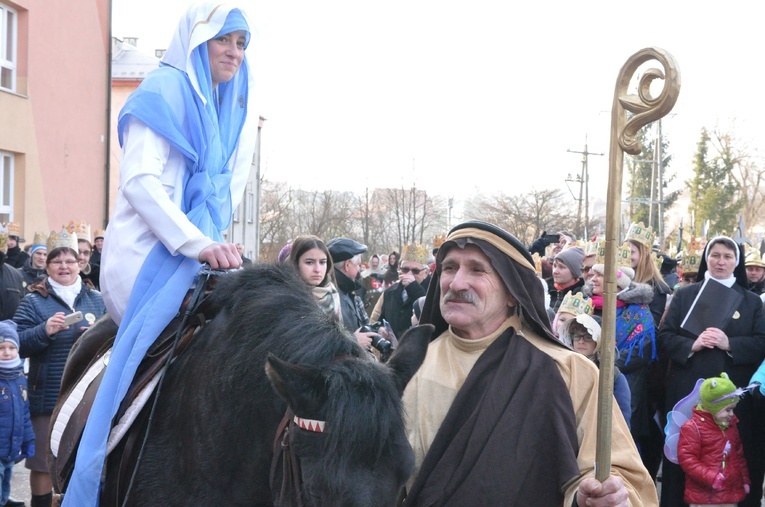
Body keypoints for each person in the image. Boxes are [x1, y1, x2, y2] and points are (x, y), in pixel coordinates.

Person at [69, 4, 257, 506]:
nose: (235, 53)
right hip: (146, 257)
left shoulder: (230, 108)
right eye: (225, 40)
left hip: (201, 256)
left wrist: (219, 246)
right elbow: (140, 182)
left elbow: (222, 199)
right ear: (197, 43)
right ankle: (100, 458)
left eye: (242, 44)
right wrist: (199, 244)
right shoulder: (161, 90)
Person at [403, 220, 656, 506]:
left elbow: (623, 479)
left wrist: (599, 497)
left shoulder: (570, 372)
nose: (457, 282)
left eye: (477, 269)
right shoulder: (408, 368)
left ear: (513, 292)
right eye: (449, 268)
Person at [659, 236, 765, 507]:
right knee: (688, 453)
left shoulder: (752, 302)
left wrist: (729, 343)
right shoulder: (685, 295)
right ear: (706, 258)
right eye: (715, 255)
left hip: (736, 395)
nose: (720, 261)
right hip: (689, 389)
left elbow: (762, 342)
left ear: (736, 262)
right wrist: (691, 344)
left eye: (728, 256)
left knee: (735, 455)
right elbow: (666, 337)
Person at [14, 233, 106, 507]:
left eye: (70, 260)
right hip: (48, 395)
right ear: (47, 266)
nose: (64, 266)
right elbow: (15, 343)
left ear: (80, 264)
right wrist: (45, 330)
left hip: (90, 394)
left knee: (86, 460)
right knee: (43, 463)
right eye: (57, 262)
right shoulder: (33, 301)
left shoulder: (96, 299)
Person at [583, 249, 657, 473]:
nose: (592, 278)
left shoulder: (639, 313)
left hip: (623, 386)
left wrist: (604, 366)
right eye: (592, 273)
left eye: (599, 274)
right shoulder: (586, 304)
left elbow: (640, 351)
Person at [677, 373, 750, 506]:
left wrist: (744, 480)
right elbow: (688, 460)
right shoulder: (693, 428)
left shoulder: (730, 426)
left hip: (729, 494)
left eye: (733, 409)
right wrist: (711, 477)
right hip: (705, 496)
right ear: (712, 407)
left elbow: (738, 457)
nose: (732, 414)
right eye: (727, 410)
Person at [561, 313, 632, 428]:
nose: (581, 341)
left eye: (588, 337)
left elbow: (622, 417)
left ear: (599, 341)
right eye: (577, 336)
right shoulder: (564, 367)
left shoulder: (612, 374)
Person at [0, 320, 34, 507]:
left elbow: (24, 412)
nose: (6, 352)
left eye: (11, 347)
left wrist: (28, 440)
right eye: (1, 347)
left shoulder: (20, 378)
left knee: (6, 482)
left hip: (11, 448)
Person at [370, 243, 431, 339]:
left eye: (415, 271)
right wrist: (380, 329)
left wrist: (413, 288)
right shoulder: (389, 292)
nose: (409, 274)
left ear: (426, 273)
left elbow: (429, 316)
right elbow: (378, 320)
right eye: (405, 269)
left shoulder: (432, 292)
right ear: (400, 269)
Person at [327, 237, 377, 349]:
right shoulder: (330, 297)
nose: (359, 269)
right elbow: (323, 343)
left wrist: (376, 331)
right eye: (358, 264)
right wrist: (353, 341)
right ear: (347, 264)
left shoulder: (347, 292)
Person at [287, 235, 340, 321]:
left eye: (322, 262)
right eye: (309, 262)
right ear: (295, 264)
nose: (317, 269)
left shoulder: (332, 293)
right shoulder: (285, 297)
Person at [548, 245, 585, 313]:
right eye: (554, 266)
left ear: (574, 272)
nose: (555, 271)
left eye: (561, 267)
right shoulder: (545, 289)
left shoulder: (581, 296)